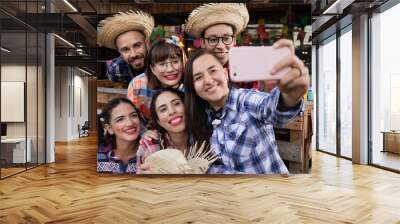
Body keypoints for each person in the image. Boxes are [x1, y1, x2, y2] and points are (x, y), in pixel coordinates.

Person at [184, 39, 310, 174]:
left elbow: (272, 110)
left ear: (226, 74)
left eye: (213, 70)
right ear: (194, 88)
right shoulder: (199, 118)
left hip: (272, 191)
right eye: (198, 77)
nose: (208, 81)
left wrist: (289, 96)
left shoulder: (245, 100)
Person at [185, 3, 258, 90]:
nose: (220, 46)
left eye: (226, 38)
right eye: (213, 40)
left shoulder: (245, 64)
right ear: (203, 42)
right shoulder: (194, 68)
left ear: (234, 40)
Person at [126, 37, 186, 122]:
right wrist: (144, 132)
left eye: (175, 61)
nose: (170, 69)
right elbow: (131, 118)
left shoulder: (190, 86)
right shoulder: (138, 85)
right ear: (153, 68)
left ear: (183, 63)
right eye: (162, 64)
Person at [135, 88, 193, 173]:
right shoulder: (150, 144)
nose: (172, 111)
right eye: (163, 109)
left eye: (176, 104)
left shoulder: (207, 137)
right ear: (158, 121)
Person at [97, 10, 154, 83]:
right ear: (119, 51)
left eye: (137, 45)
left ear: (147, 43)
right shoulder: (116, 68)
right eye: (125, 49)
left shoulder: (162, 63)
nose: (133, 54)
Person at [97, 97, 144, 174]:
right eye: (120, 119)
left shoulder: (149, 153)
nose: (130, 123)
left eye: (133, 115)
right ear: (109, 128)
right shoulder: (97, 156)